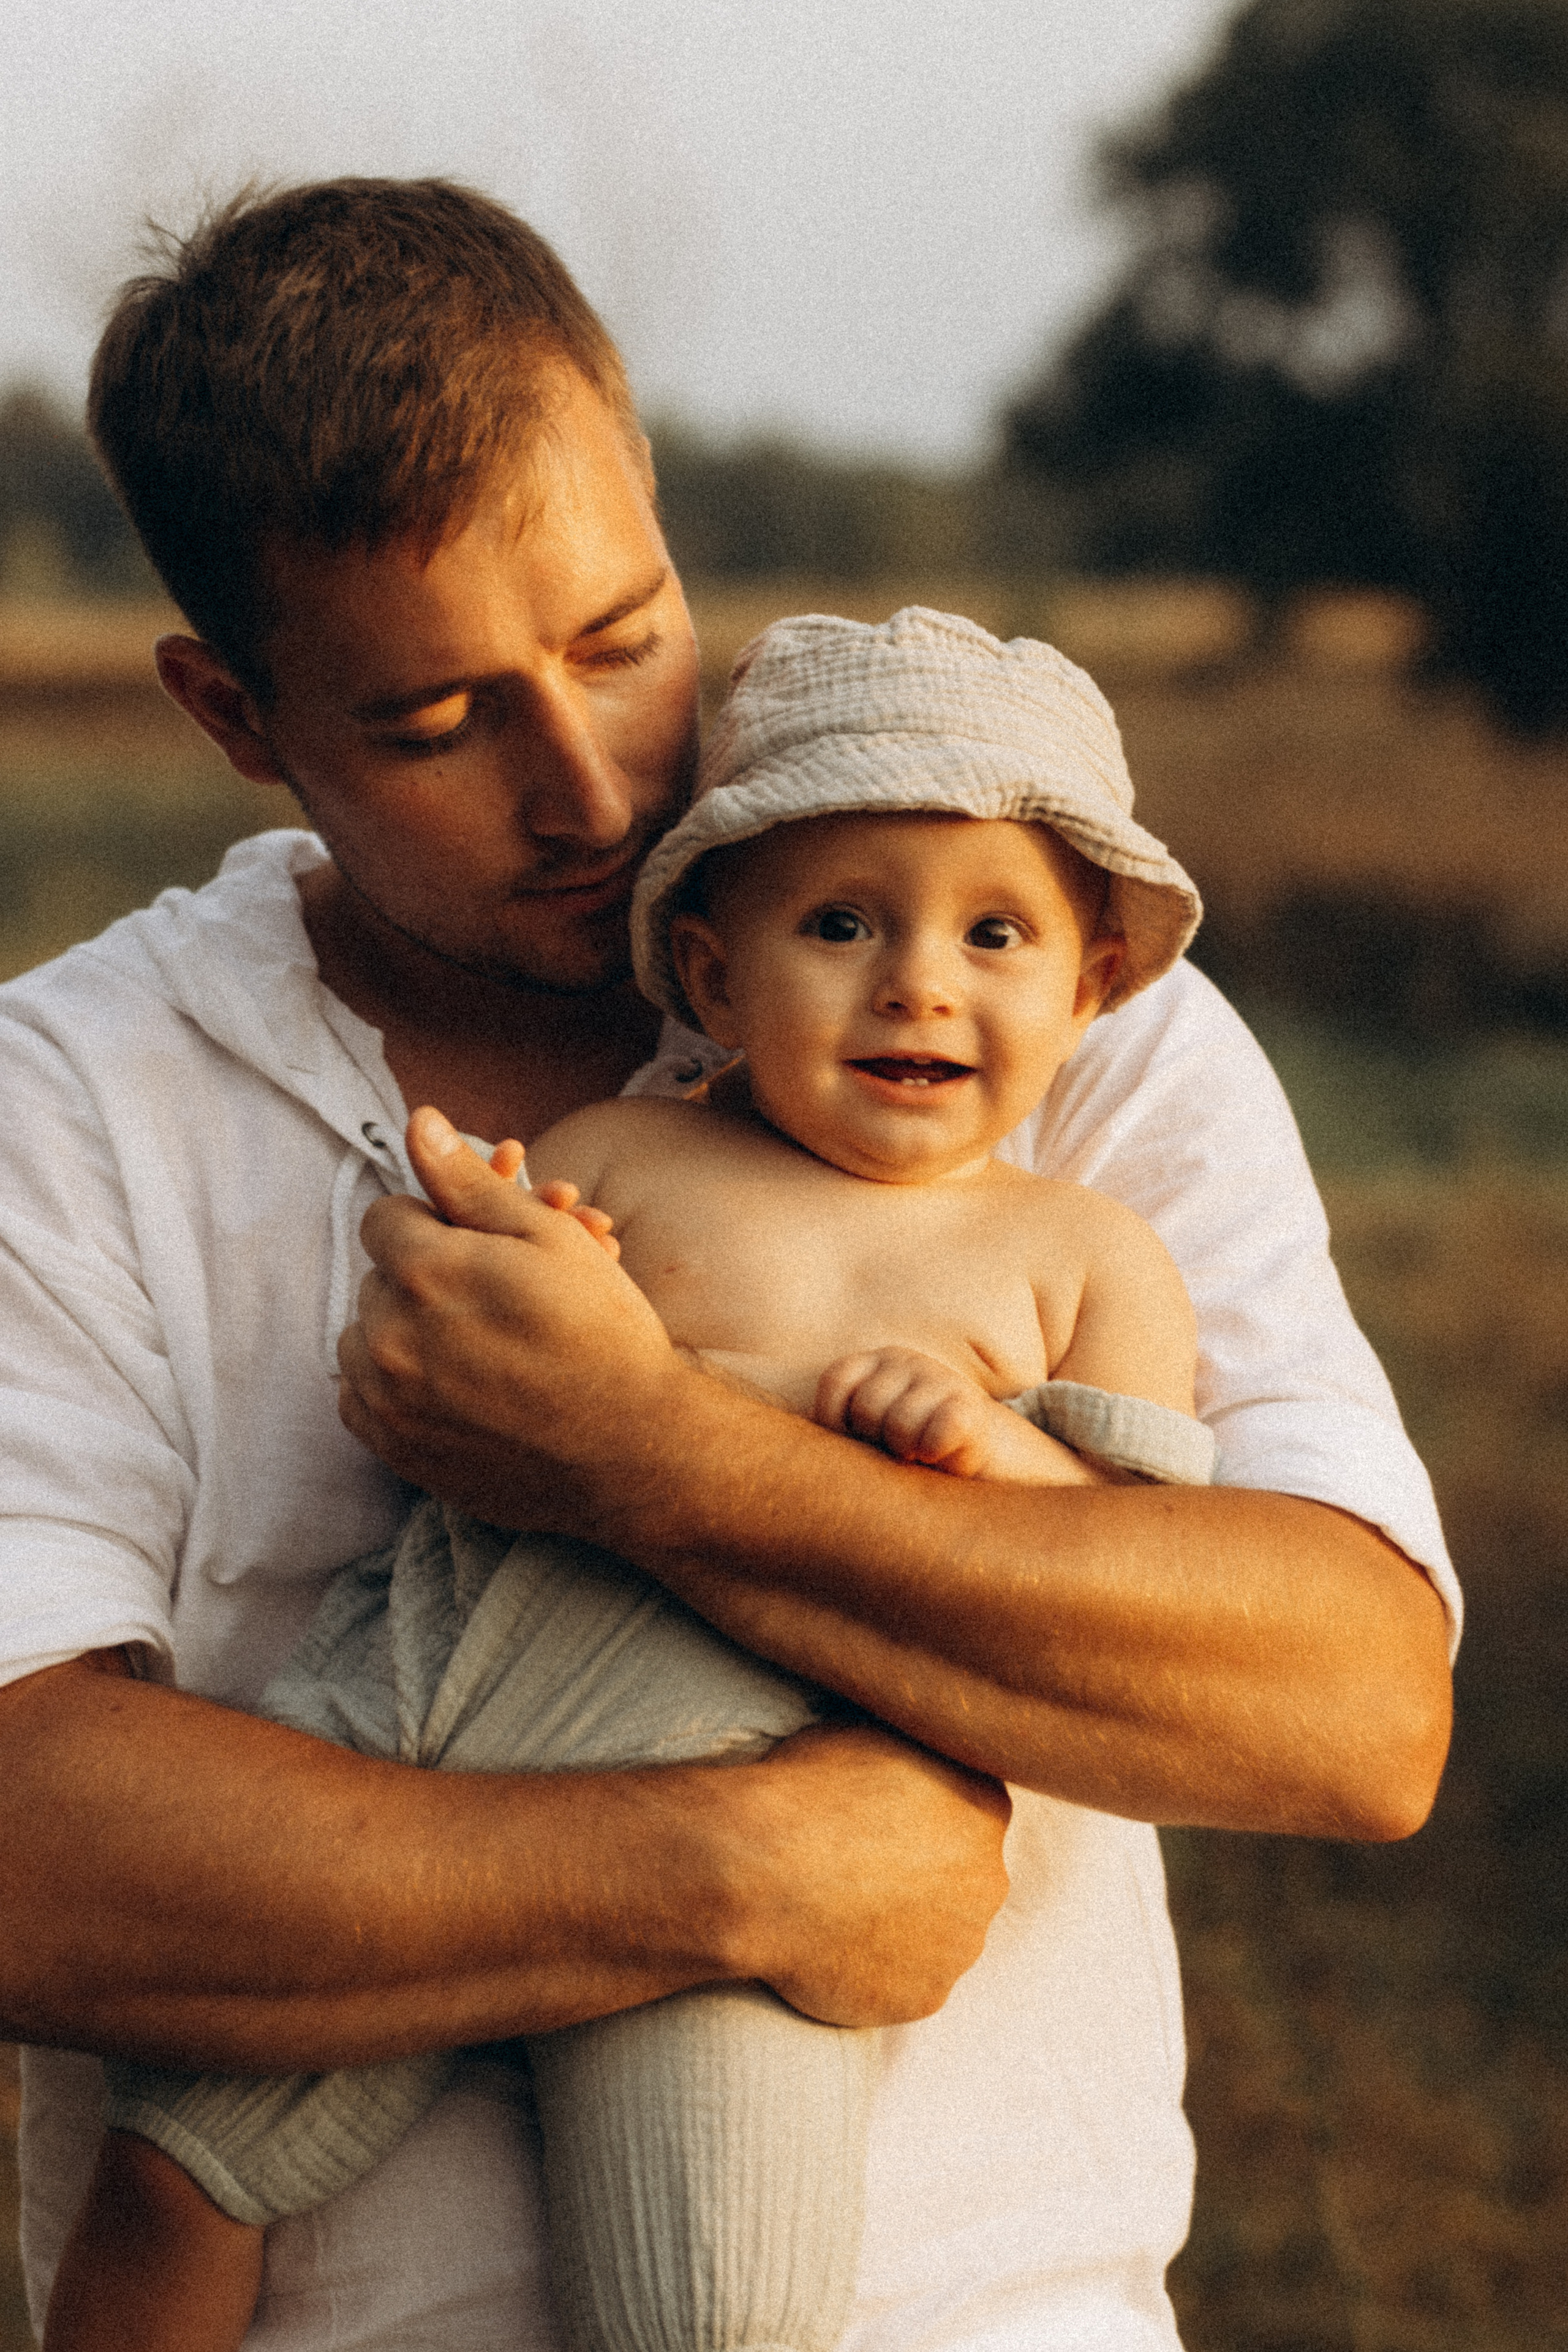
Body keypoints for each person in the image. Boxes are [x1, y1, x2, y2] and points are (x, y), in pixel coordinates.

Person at [0, 178, 1457, 2351]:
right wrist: (744, 1872)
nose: (585, 781)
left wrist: (648, 1455)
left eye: (620, 639)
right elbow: (32, 1844)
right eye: (435, 722)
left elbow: (1348, 1711)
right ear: (233, 712)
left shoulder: (1041, 1009)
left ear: (662, 513)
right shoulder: (75, 1097)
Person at [43, 606, 1221, 2352]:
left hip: (761, 1796)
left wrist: (996, 1451)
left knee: (711, 2297)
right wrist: (497, 1245)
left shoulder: (1081, 1256)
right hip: (432, 1715)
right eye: (840, 925)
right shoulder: (628, 1153)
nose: (918, 983)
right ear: (713, 974)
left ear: (1094, 984)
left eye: (995, 935)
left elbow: (1134, 1591)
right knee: (175, 2166)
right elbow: (453, 1384)